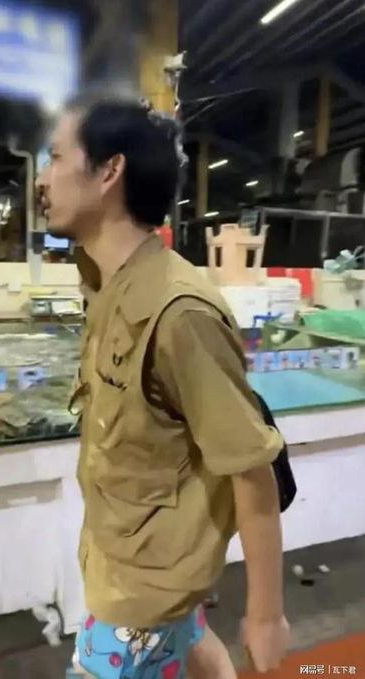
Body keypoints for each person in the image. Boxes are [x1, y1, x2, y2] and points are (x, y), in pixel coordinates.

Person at [36, 96, 289, 679]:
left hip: (140, 599)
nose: (43, 179)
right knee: (194, 643)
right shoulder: (108, 285)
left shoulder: (179, 313)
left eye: (55, 158)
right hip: (131, 559)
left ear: (109, 171)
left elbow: (251, 468)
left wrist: (266, 613)